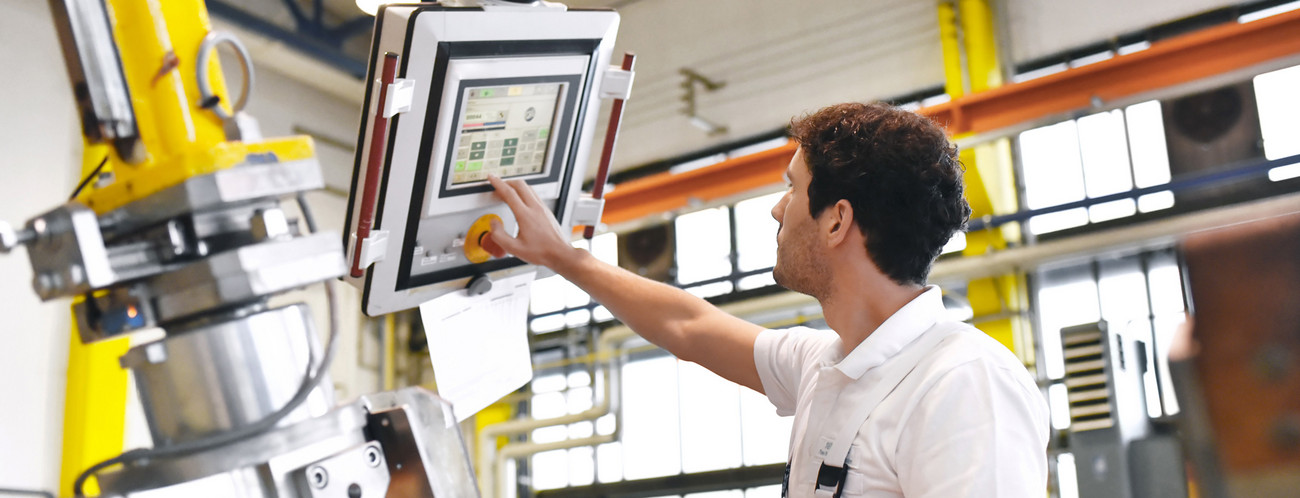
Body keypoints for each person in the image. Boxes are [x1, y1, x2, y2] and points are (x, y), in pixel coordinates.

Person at [485, 102, 1049, 497]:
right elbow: (688, 327)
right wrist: (564, 258)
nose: (777, 209)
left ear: (837, 221)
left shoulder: (963, 384)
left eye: (792, 187)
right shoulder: (827, 365)